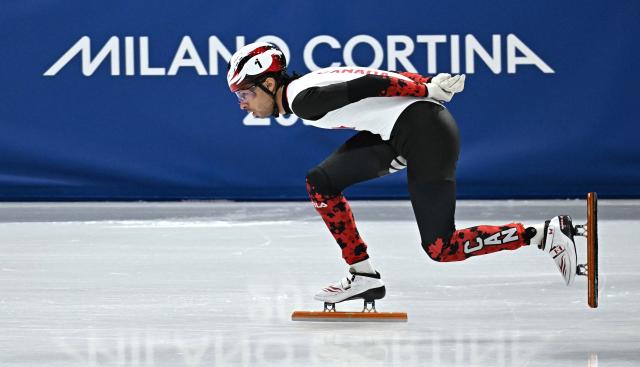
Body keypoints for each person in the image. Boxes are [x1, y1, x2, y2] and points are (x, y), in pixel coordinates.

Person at [226, 42, 578, 306]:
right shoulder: (307, 88)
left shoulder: (304, 100)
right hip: (401, 133)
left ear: (270, 84)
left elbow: (370, 84)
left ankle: (543, 234)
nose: (242, 103)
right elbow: (375, 79)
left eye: (245, 92)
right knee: (321, 182)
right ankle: (363, 275)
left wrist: (424, 88)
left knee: (442, 247)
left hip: (425, 133)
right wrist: (423, 83)